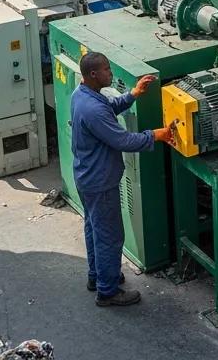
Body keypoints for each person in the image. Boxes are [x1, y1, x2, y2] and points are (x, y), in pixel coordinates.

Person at [70, 52, 176, 307]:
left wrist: (133, 95)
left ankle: (97, 276)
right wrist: (156, 135)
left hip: (86, 176)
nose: (111, 73)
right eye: (107, 70)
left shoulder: (82, 94)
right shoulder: (92, 108)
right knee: (110, 235)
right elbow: (123, 140)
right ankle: (108, 292)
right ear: (93, 74)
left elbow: (108, 110)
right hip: (101, 182)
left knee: (94, 228)